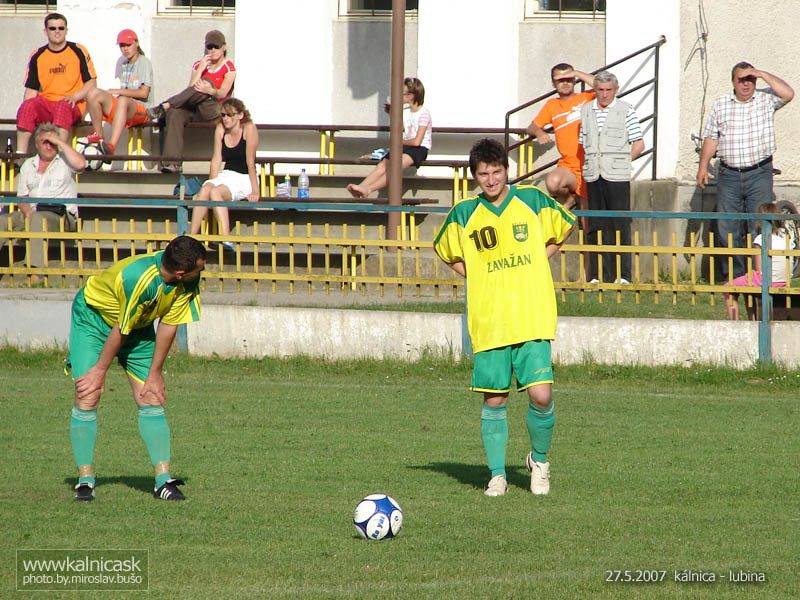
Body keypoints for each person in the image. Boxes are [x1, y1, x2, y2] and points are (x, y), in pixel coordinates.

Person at [433, 138, 575, 497]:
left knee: (541, 395)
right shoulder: (464, 213)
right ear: (474, 176)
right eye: (484, 174)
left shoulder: (531, 200)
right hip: (491, 321)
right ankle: (497, 475)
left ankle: (539, 462)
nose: (491, 180)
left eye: (496, 172)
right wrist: (478, 274)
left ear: (506, 170)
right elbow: (447, 252)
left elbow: (564, 227)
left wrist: (539, 258)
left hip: (532, 315)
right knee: (494, 399)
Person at [67, 235, 206, 502]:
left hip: (137, 327)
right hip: (93, 321)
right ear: (180, 272)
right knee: (88, 393)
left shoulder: (188, 280)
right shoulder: (138, 279)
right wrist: (99, 370)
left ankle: (163, 482)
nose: (202, 272)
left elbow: (169, 324)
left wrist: (155, 374)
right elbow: (121, 329)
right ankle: (85, 481)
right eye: (199, 268)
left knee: (151, 395)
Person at [696, 62, 794, 281]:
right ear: (733, 81)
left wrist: (761, 73)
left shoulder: (766, 98)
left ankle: (758, 277)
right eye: (742, 79)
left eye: (751, 79)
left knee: (758, 225)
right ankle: (735, 278)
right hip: (729, 175)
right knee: (727, 228)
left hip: (759, 173)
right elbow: (711, 137)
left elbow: (788, 93)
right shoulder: (721, 104)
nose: (746, 84)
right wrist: (703, 167)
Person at [578, 70, 644, 284]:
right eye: (600, 90)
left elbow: (639, 144)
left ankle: (623, 275)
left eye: (608, 90)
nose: (605, 94)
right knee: (596, 223)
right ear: (595, 90)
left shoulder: (626, 109)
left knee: (620, 223)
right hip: (593, 174)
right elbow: (583, 143)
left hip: (617, 176)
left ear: (616, 90)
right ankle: (598, 275)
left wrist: (622, 162)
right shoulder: (586, 110)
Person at [0, 123, 85, 282]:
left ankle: (36, 273)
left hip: (61, 215)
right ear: (37, 145)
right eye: (45, 142)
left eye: (52, 142)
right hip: (32, 213)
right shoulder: (28, 165)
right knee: (2, 221)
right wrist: (27, 212)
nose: (49, 146)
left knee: (37, 218)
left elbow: (81, 164)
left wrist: (59, 142)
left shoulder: (65, 161)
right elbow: (22, 196)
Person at [147, 30, 236, 173]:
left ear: (224, 47)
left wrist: (211, 91)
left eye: (216, 47)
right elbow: (190, 90)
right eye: (210, 47)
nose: (213, 50)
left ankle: (165, 105)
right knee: (174, 113)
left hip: (213, 109)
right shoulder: (198, 65)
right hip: (194, 108)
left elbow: (223, 92)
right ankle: (172, 163)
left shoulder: (228, 67)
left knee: (206, 82)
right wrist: (200, 70)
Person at [16, 12, 97, 157]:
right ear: (45, 31)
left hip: (72, 103)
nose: (57, 31)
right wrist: (27, 111)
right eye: (52, 28)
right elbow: (31, 90)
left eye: (61, 28)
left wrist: (75, 96)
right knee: (27, 107)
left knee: (62, 106)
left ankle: (58, 156)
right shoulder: (37, 55)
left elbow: (91, 82)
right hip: (47, 103)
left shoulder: (78, 50)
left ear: (66, 30)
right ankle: (20, 156)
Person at [189, 97, 259, 250]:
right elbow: (216, 160)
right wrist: (211, 182)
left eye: (230, 115)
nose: (226, 119)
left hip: (244, 177)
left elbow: (251, 162)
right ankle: (191, 236)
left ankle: (226, 238)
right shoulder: (220, 129)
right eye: (223, 115)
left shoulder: (249, 129)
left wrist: (255, 191)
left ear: (240, 115)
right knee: (206, 189)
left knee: (215, 192)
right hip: (227, 175)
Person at [347, 77, 431, 198]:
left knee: (395, 167)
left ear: (411, 96)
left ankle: (369, 189)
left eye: (401, 93)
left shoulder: (424, 114)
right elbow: (400, 128)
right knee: (382, 165)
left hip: (418, 149)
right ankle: (361, 187)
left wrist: (400, 142)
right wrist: (391, 113)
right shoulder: (406, 111)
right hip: (405, 145)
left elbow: (417, 142)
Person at [527, 64, 595, 211]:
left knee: (587, 218)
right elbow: (531, 127)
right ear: (553, 83)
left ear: (574, 80)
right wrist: (539, 132)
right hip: (569, 166)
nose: (565, 83)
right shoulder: (552, 105)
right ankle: (570, 199)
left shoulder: (587, 97)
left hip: (591, 164)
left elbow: (606, 87)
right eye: (560, 80)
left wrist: (577, 73)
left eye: (569, 79)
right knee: (552, 182)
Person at [83, 29, 154, 160]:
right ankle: (99, 136)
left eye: (128, 45)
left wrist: (118, 91)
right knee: (93, 93)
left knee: (122, 100)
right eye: (122, 45)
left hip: (142, 110)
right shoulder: (122, 62)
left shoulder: (144, 62)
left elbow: (144, 93)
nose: (125, 49)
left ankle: (111, 146)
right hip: (125, 107)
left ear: (136, 43)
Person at [722, 202, 790, 320]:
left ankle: (736, 322)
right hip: (784, 280)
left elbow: (760, 269)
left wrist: (753, 272)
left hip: (767, 280)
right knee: (747, 286)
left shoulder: (761, 239)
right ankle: (751, 320)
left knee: (728, 287)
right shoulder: (786, 237)